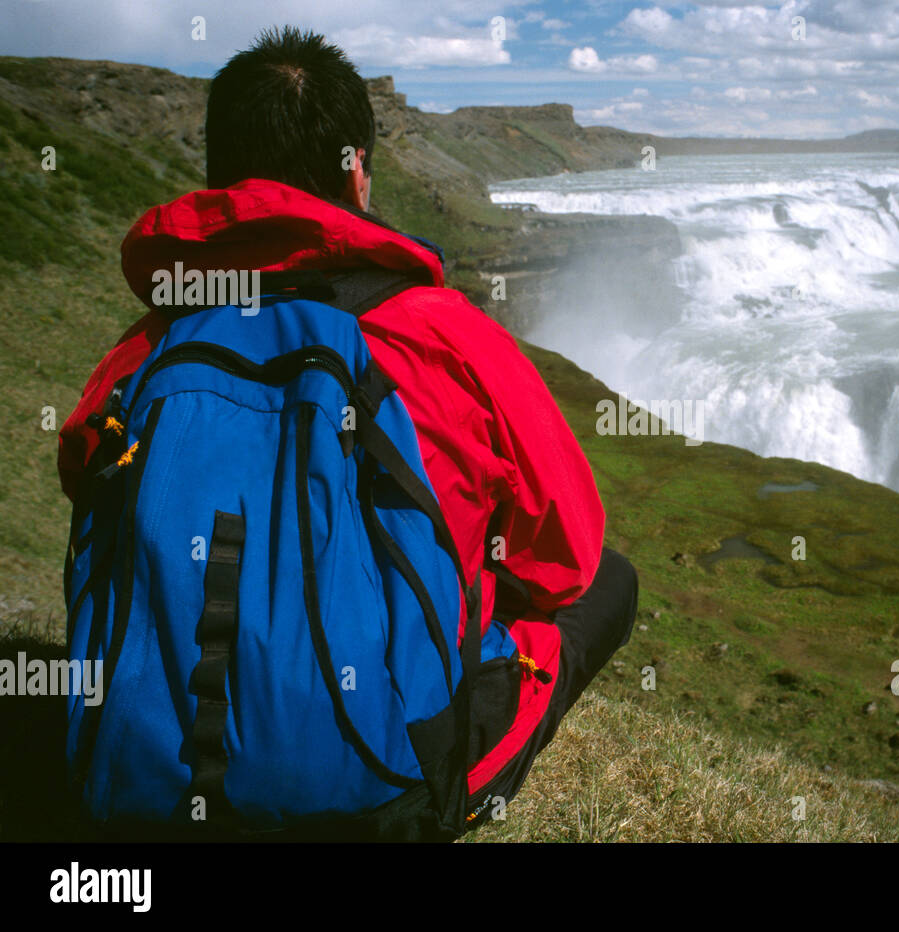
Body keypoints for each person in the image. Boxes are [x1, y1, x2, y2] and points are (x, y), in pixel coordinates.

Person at [57, 25, 638, 839]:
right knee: (611, 582)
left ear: (218, 175)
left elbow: (84, 480)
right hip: (386, 803)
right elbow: (566, 557)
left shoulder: (144, 352)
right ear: (358, 171)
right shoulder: (443, 331)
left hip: (134, 791)